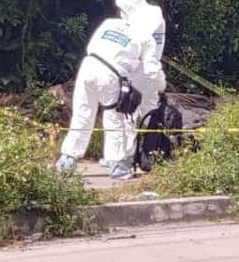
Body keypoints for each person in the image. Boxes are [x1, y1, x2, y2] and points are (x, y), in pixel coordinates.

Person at [55, 9, 162, 181]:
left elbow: (92, 46)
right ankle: (118, 166)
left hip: (88, 66)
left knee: (82, 114)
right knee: (115, 118)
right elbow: (148, 69)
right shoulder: (146, 37)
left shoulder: (110, 23)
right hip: (111, 75)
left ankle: (67, 160)